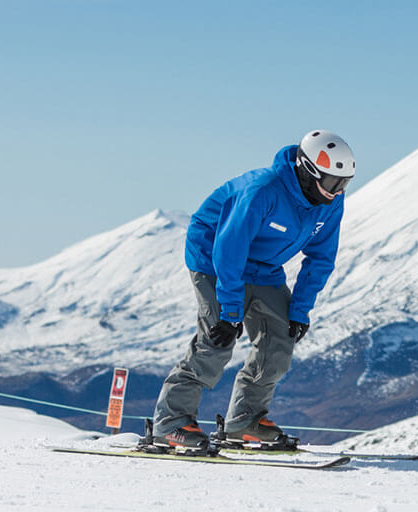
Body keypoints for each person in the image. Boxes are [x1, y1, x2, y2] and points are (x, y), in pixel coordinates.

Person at [150, 130, 355, 453]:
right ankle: (170, 423)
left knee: (281, 336)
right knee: (217, 339)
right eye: (331, 182)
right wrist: (230, 313)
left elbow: (322, 258)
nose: (336, 192)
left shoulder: (329, 204)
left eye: (343, 183)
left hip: (263, 267)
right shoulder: (262, 191)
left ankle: (245, 422)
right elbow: (229, 251)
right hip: (214, 259)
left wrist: (299, 311)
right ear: (307, 170)